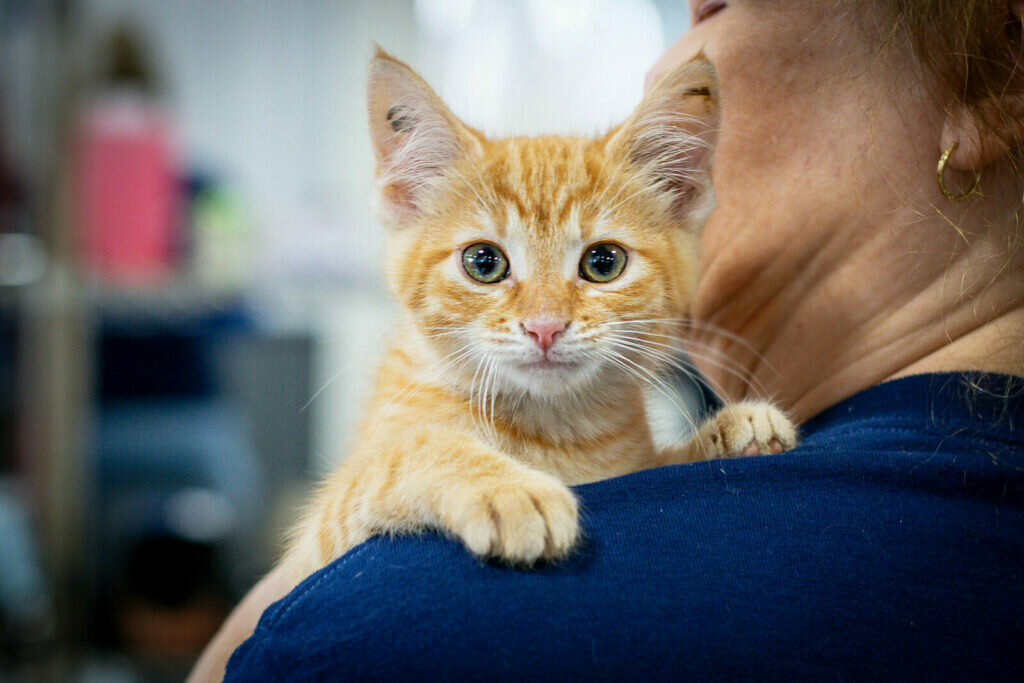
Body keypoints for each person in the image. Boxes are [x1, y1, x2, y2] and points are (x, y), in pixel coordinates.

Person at [191, 0, 1024, 679]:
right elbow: (371, 495)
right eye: (487, 261)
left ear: (998, 68)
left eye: (598, 261)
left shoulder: (374, 639)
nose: (545, 316)